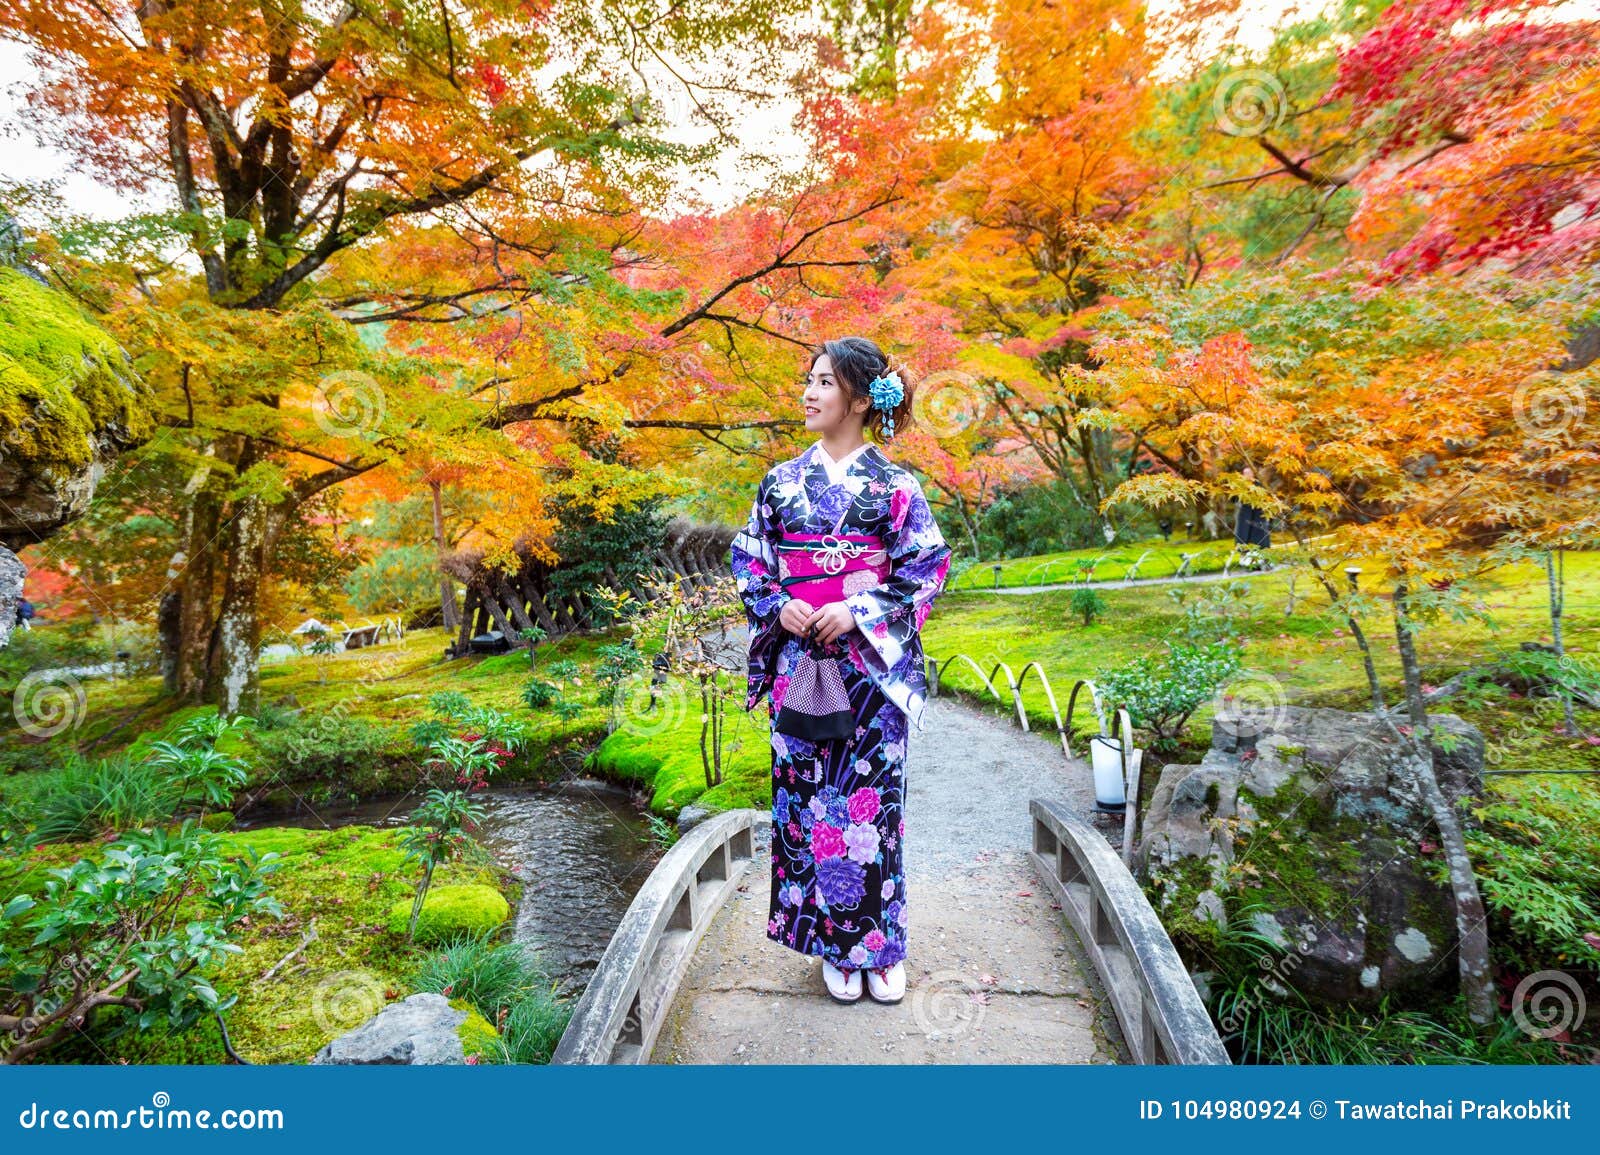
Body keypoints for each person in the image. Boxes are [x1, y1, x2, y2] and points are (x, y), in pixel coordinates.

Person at [728, 336, 952, 1006]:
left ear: (858, 398)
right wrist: (782, 606)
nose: (808, 392)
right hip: (802, 665)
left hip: (870, 674)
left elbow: (926, 567)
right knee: (807, 805)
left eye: (823, 382)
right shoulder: (778, 483)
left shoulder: (896, 487)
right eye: (809, 379)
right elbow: (749, 560)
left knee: (871, 806)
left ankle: (880, 947)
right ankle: (831, 944)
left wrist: (858, 610)